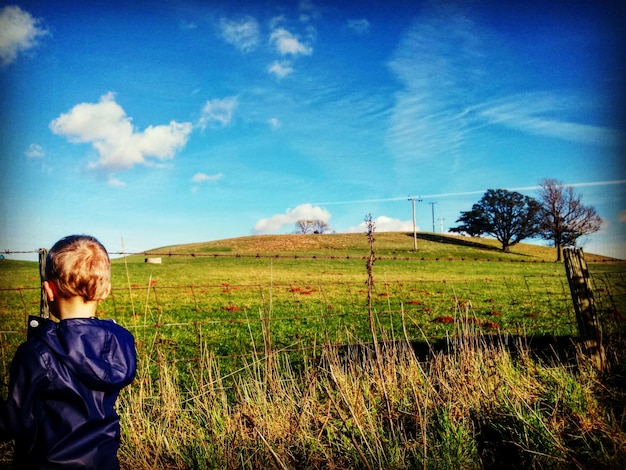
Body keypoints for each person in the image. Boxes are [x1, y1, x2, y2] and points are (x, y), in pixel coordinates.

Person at [0, 235, 136, 469]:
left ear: (48, 290)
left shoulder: (36, 352)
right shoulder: (121, 343)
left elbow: (15, 421)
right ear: (106, 292)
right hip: (103, 461)